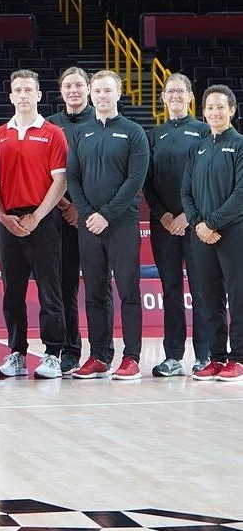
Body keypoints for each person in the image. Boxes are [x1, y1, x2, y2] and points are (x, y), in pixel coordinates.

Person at [66, 70, 150, 380]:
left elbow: (135, 180)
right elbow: (73, 176)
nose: (102, 96)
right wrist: (89, 212)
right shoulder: (82, 133)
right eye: (97, 91)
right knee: (94, 293)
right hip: (90, 224)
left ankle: (131, 357)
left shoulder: (133, 132)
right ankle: (99, 355)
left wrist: (107, 214)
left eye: (107, 91)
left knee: (128, 290)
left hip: (122, 224)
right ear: (91, 94)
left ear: (118, 94)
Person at [0, 70, 70, 380]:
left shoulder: (52, 133)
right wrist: (2, 216)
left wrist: (37, 216)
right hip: (8, 220)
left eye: (28, 90)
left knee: (51, 290)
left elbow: (60, 181)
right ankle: (17, 353)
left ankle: (52, 353)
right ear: (11, 97)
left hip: (44, 218)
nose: (23, 95)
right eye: (18, 90)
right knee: (12, 292)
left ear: (38, 95)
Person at [145, 73, 210, 377]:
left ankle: (205, 355)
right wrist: (163, 215)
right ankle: (173, 356)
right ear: (163, 97)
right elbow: (148, 183)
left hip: (195, 223)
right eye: (170, 91)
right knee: (171, 290)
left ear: (190, 96)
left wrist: (187, 214)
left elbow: (208, 179)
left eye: (180, 91)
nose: (175, 96)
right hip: (164, 225)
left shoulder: (204, 131)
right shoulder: (154, 134)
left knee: (201, 289)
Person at [182, 86, 243, 382]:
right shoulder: (199, 148)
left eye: (221, 107)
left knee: (238, 295)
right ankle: (217, 357)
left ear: (232, 110)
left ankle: (239, 358)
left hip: (232, 232)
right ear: (203, 112)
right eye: (209, 108)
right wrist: (198, 224)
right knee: (209, 296)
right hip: (201, 234)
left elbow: (240, 193)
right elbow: (186, 191)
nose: (215, 113)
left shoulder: (240, 145)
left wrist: (213, 223)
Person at [47, 66, 94, 375]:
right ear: (61, 91)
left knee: (96, 288)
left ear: (88, 89)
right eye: (68, 86)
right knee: (64, 287)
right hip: (60, 217)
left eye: (79, 85)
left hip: (93, 219)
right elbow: (44, 173)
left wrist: (84, 209)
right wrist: (66, 205)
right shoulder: (50, 125)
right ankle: (68, 349)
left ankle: (101, 352)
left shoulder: (100, 122)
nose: (74, 90)